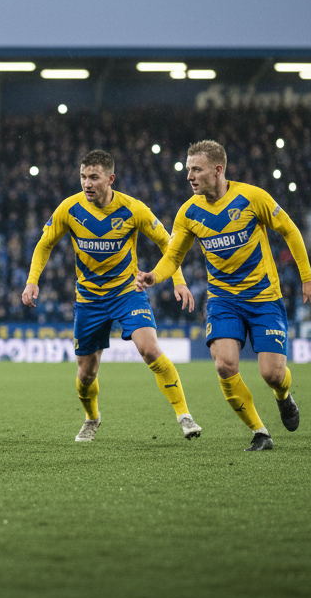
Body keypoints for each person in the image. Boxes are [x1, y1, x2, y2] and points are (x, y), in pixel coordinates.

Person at [135, 140, 311, 451]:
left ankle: (283, 395)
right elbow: (173, 255)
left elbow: (290, 230)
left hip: (264, 297)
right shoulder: (189, 212)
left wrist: (307, 277)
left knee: (272, 374)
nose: (189, 176)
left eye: (196, 170)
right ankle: (260, 432)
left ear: (218, 170)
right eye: (188, 170)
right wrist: (154, 276)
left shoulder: (252, 198)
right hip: (223, 300)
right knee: (225, 365)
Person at [22, 150, 200, 442]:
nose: (87, 183)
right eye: (83, 177)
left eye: (94, 177)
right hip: (89, 300)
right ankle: (92, 418)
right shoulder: (70, 208)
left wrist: (177, 281)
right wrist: (32, 281)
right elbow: (44, 244)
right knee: (86, 374)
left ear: (110, 179)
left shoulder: (133, 209)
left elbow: (167, 243)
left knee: (150, 350)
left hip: (127, 293)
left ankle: (184, 415)